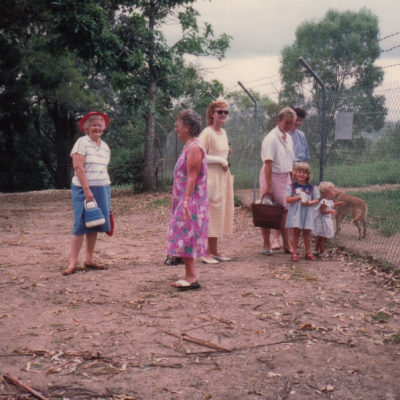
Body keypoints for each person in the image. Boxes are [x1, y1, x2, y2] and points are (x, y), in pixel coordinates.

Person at [63, 111, 112, 275]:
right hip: (83, 188)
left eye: (100, 125)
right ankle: (72, 263)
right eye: (94, 125)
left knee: (95, 223)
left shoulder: (104, 146)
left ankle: (89, 260)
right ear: (87, 128)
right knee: (80, 224)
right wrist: (86, 190)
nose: (97, 128)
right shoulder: (81, 143)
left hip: (102, 187)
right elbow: (78, 167)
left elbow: (103, 168)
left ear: (103, 128)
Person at [168, 109, 208, 290]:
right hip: (185, 199)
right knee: (182, 235)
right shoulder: (189, 146)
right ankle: (189, 273)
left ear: (187, 127)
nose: (176, 128)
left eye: (178, 125)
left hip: (191, 201)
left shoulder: (194, 147)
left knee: (186, 235)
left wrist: (185, 201)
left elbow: (192, 175)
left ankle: (192, 276)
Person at [198, 101, 234, 264]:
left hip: (222, 178)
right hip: (210, 178)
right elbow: (198, 154)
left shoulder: (223, 132)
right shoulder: (207, 132)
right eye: (220, 112)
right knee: (210, 213)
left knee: (219, 213)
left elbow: (220, 151)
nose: (223, 115)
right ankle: (204, 252)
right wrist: (221, 159)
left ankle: (214, 251)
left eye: (226, 112)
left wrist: (225, 154)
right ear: (212, 114)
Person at [259, 107, 296, 255]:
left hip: (285, 176)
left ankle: (287, 244)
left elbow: (290, 161)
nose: (289, 126)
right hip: (272, 176)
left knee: (285, 210)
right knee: (268, 210)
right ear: (279, 121)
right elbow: (268, 164)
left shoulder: (289, 138)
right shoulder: (271, 139)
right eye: (286, 123)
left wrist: (292, 180)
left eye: (291, 124)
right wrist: (268, 186)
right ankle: (267, 244)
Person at [272, 106, 310, 250]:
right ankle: (276, 238)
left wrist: (302, 177)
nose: (297, 123)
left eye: (300, 121)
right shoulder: (283, 135)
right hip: (286, 170)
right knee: (281, 205)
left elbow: (305, 157)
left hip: (299, 172)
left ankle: (293, 238)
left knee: (296, 206)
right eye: (296, 120)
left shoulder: (301, 136)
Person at [285, 162, 320, 261]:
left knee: (306, 232)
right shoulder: (291, 187)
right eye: (299, 172)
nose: (301, 174)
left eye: (304, 173)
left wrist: (308, 203)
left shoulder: (312, 187)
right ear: (295, 173)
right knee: (296, 231)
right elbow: (288, 200)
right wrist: (298, 197)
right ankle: (294, 252)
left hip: (307, 213)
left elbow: (316, 199)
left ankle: (308, 252)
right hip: (296, 213)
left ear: (308, 175)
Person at [312, 182, 345, 257]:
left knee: (320, 237)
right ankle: (322, 252)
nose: (334, 192)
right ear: (327, 193)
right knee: (323, 238)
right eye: (333, 191)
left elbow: (330, 205)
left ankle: (316, 250)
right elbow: (322, 211)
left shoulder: (326, 201)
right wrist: (331, 211)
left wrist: (338, 204)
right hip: (323, 222)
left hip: (324, 221)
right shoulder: (324, 202)